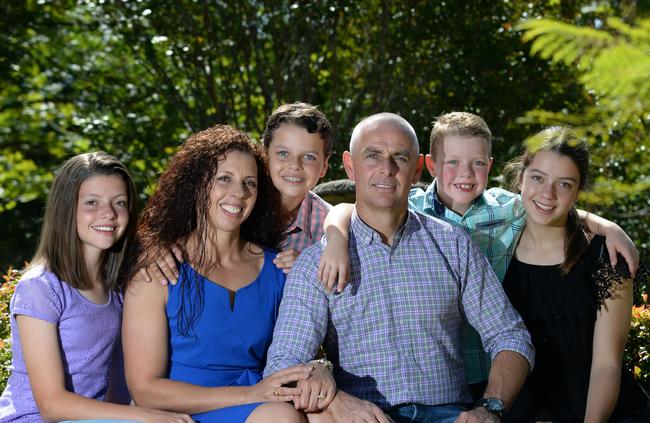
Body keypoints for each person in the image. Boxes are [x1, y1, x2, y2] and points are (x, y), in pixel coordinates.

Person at [318, 111, 640, 400]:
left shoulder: (505, 208)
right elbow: (352, 207)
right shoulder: (411, 208)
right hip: (437, 365)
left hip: (492, 364)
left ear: (490, 165)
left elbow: (549, 201)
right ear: (430, 165)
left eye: (477, 163)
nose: (466, 174)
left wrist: (607, 226)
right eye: (453, 163)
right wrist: (336, 235)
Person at [264, 113, 535, 423]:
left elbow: (509, 335)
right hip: (365, 417)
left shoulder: (454, 245)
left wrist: (490, 409)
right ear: (350, 166)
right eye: (373, 155)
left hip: (450, 414)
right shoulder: (316, 263)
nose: (386, 168)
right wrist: (335, 402)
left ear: (417, 168)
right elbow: (283, 364)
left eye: (400, 158)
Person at [121, 125, 334, 423]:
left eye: (250, 183)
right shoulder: (158, 269)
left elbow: (306, 347)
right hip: (180, 410)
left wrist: (322, 367)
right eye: (224, 179)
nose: (239, 193)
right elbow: (145, 389)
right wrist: (251, 395)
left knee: (317, 416)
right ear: (196, 185)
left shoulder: (278, 268)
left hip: (262, 404)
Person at [0, 152, 190, 422]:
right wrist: (145, 417)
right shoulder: (41, 288)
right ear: (66, 209)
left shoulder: (119, 285)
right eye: (92, 202)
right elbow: (52, 405)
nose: (109, 214)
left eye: (119, 203)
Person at [500, 126, 650, 422]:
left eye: (564, 184)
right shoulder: (495, 246)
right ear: (521, 177)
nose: (547, 193)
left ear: (578, 191)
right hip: (524, 411)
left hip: (598, 412)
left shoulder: (606, 257)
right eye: (537, 178)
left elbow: (607, 364)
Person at [140, 102, 333, 283]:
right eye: (283, 153)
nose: (294, 165)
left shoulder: (331, 227)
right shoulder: (233, 200)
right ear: (264, 154)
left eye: (309, 157)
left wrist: (310, 270)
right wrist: (153, 247)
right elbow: (157, 230)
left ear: (324, 166)